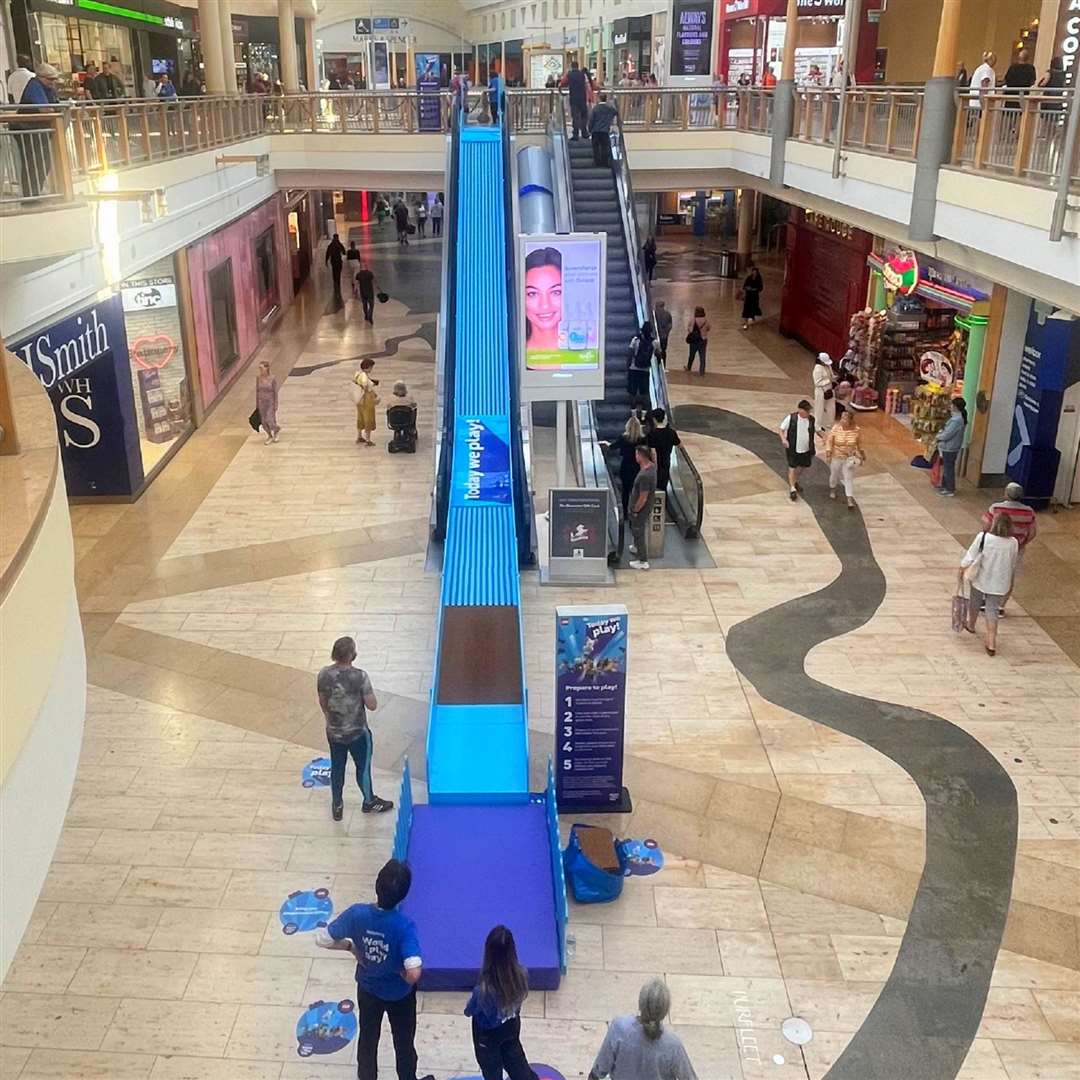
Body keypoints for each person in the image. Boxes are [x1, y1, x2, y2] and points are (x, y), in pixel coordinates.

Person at [315, 860, 433, 1080]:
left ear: (377, 885)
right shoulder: (403, 926)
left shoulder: (356, 914)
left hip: (368, 991)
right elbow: (414, 972)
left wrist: (351, 947)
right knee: (404, 1043)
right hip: (400, 997)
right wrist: (403, 974)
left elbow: (323, 939)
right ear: (403, 895)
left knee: (368, 1040)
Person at [316, 636, 393, 818]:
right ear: (352, 655)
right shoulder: (360, 676)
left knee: (337, 768)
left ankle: (337, 805)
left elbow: (322, 701)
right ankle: (369, 801)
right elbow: (372, 705)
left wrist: (331, 718)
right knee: (363, 768)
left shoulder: (323, 674)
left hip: (334, 732)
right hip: (358, 733)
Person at [464, 926, 536, 1080]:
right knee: (517, 1063)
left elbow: (469, 1011)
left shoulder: (482, 991)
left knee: (492, 1072)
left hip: (487, 1038)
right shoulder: (521, 976)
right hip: (511, 1027)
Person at [589, 978, 697, 1080]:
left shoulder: (619, 1028)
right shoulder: (673, 1045)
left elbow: (599, 1070)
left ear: (640, 1004)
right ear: (665, 1012)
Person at [959, 514, 1019, 657]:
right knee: (992, 609)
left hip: (981, 577)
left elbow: (971, 555)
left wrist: (962, 567)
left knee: (975, 600)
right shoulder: (1013, 542)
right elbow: (1013, 561)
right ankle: (991, 641)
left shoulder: (984, 537)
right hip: (1000, 581)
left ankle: (971, 624)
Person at [981, 482, 1036, 614]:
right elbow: (1033, 532)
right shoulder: (1028, 511)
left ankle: (987, 600)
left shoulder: (996, 508)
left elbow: (986, 525)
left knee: (991, 570)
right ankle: (1001, 606)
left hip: (996, 545)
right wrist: (1022, 544)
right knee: (1009, 575)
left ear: (1006, 493)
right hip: (1016, 548)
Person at [14, 64, 60, 198]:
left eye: (54, 80)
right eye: (50, 79)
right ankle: (30, 195)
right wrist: (55, 110)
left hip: (39, 130)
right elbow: (45, 109)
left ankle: (35, 192)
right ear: (40, 77)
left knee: (44, 162)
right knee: (32, 163)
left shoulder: (48, 88)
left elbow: (55, 104)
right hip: (27, 130)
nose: (52, 83)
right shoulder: (34, 86)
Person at [601, 414, 646, 516]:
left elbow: (612, 447)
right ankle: (636, 511)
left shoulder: (624, 438)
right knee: (637, 491)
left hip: (626, 466)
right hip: (638, 467)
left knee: (625, 490)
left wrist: (604, 443)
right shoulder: (643, 439)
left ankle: (625, 513)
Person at [523, 246, 562, 352]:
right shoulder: (510, 355)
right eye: (532, 294)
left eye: (556, 292)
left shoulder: (585, 352)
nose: (545, 305)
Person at [824, 408, 864, 509]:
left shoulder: (856, 430)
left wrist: (861, 454)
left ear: (850, 420)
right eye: (841, 418)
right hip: (836, 456)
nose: (842, 420)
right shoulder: (836, 428)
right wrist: (828, 453)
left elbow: (859, 444)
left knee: (848, 478)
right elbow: (829, 441)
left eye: (845, 419)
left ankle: (849, 499)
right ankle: (833, 489)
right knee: (834, 474)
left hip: (849, 458)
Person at [779, 400, 816, 502]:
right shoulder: (791, 418)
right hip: (793, 448)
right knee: (792, 467)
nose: (807, 414)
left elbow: (816, 430)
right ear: (800, 410)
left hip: (806, 449)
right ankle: (792, 489)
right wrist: (784, 439)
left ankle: (794, 481)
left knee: (801, 467)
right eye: (806, 411)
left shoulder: (811, 420)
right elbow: (781, 429)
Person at [627, 445, 656, 571]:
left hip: (641, 509)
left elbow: (643, 497)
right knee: (636, 530)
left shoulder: (645, 475)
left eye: (636, 454)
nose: (635, 456)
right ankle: (636, 547)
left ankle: (642, 560)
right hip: (644, 506)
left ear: (641, 455)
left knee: (638, 530)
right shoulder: (651, 466)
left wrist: (635, 510)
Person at [935, 396, 967, 497]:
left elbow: (948, 434)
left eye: (952, 405)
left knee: (949, 468)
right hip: (949, 446)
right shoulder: (956, 418)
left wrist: (938, 436)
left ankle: (950, 488)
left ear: (956, 407)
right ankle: (944, 486)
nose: (950, 406)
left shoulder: (956, 420)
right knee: (947, 467)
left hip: (950, 447)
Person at [647, 408, 681, 496]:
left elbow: (653, 452)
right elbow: (679, 445)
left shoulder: (652, 434)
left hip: (656, 463)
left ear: (654, 419)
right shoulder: (671, 432)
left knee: (654, 486)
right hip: (666, 461)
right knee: (663, 484)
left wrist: (655, 465)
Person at [353, 358, 380, 446]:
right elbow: (365, 386)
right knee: (368, 418)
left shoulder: (358, 374)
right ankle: (368, 439)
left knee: (360, 417)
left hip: (359, 399)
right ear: (368, 367)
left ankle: (359, 436)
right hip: (366, 399)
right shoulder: (364, 376)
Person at [627, 323, 657, 400]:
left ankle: (633, 410)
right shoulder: (655, 342)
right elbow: (658, 354)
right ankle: (644, 411)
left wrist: (628, 365)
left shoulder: (635, 339)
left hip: (634, 368)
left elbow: (630, 353)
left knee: (632, 392)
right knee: (644, 393)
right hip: (645, 370)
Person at [588, 94, 618, 168]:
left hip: (595, 131)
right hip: (605, 131)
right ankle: (605, 162)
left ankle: (597, 162)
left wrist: (590, 129)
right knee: (604, 147)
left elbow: (591, 120)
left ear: (599, 99)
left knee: (596, 147)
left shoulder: (595, 108)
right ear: (606, 99)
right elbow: (615, 112)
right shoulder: (609, 108)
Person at [255, 360, 280, 443]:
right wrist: (257, 404)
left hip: (270, 401)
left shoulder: (272, 378)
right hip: (261, 402)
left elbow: (275, 391)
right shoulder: (258, 378)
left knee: (270, 419)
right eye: (259, 368)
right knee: (263, 421)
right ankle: (269, 435)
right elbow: (257, 391)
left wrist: (276, 403)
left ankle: (276, 429)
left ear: (267, 368)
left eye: (262, 368)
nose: (261, 370)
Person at [812, 352, 835, 434]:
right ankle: (817, 426)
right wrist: (829, 381)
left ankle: (830, 424)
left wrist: (834, 378)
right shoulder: (817, 368)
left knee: (831, 408)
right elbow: (817, 383)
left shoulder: (828, 366)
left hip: (829, 389)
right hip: (821, 391)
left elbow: (831, 375)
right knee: (819, 408)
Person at [567, 61, 589, 139]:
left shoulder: (569, 75)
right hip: (582, 98)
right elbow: (587, 83)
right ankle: (584, 132)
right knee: (584, 116)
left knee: (575, 117)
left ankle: (575, 134)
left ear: (571, 66)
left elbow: (563, 83)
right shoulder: (582, 74)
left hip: (573, 99)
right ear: (578, 66)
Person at [685, 306, 710, 375]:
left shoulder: (693, 320)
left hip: (694, 340)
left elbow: (689, 329)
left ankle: (689, 367)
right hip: (703, 339)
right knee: (702, 356)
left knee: (691, 355)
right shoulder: (706, 320)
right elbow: (708, 328)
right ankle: (702, 371)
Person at [741, 263, 764, 329]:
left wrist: (755, 289)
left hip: (754, 296)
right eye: (753, 272)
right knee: (747, 307)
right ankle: (746, 321)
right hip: (748, 295)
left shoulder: (759, 279)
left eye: (755, 272)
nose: (754, 273)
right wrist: (747, 288)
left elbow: (761, 288)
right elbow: (744, 286)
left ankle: (751, 319)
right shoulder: (749, 278)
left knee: (753, 307)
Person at [653, 301, 672, 365]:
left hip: (655, 336)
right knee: (663, 350)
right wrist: (667, 332)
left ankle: (657, 364)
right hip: (664, 336)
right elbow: (670, 325)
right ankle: (663, 364)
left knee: (655, 350)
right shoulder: (667, 314)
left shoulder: (654, 314)